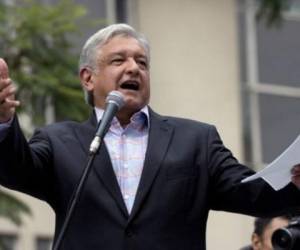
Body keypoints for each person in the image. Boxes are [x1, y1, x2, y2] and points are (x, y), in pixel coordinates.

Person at [0, 23, 300, 250]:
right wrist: (3, 120)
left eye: (142, 63)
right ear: (88, 78)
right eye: (119, 61)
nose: (134, 68)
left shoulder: (196, 140)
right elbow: (15, 169)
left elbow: (252, 194)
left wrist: (295, 179)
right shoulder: (59, 141)